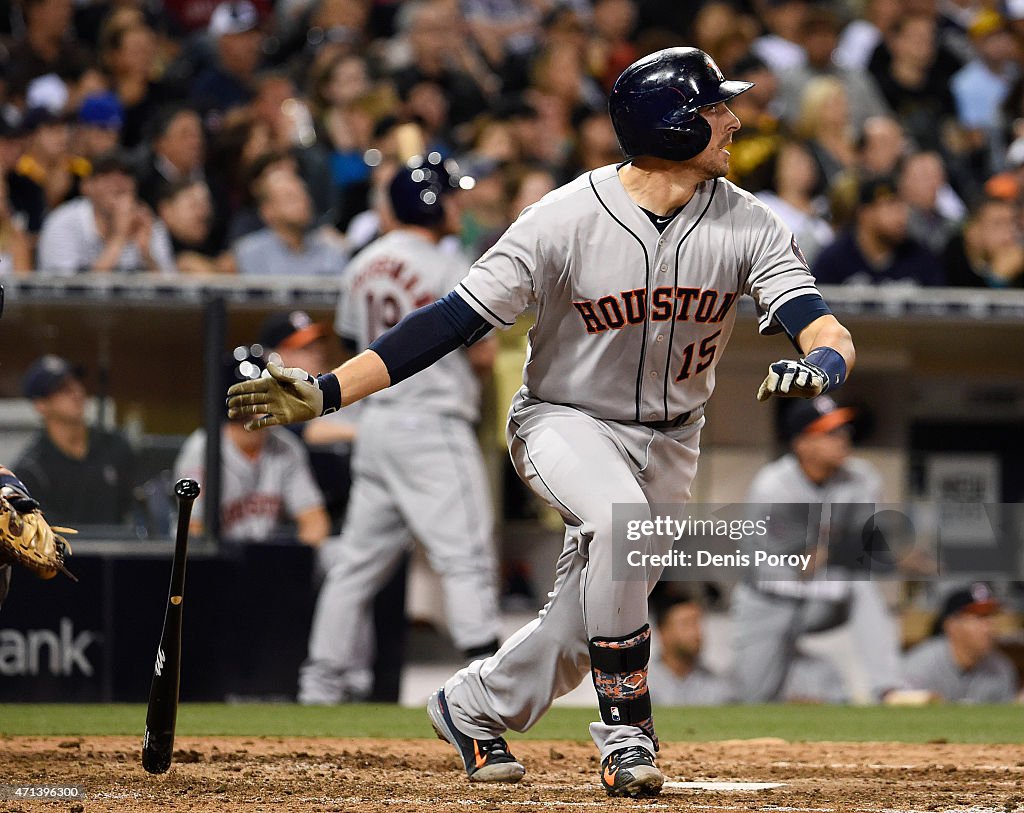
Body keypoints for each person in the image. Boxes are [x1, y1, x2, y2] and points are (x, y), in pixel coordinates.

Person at [227, 47, 856, 798]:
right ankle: (627, 732)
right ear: (675, 123)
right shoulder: (564, 217)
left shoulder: (748, 223)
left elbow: (821, 324)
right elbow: (449, 321)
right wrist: (330, 390)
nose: (734, 120)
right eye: (717, 107)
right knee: (619, 524)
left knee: (574, 630)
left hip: (673, 441)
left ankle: (469, 705)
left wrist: (822, 366)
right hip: (565, 420)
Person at [296, 154, 502, 705]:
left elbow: (348, 343)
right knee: (466, 557)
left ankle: (320, 683)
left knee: (355, 567)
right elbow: (481, 357)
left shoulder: (362, 262)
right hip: (433, 423)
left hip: (375, 423)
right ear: (432, 203)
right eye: (452, 195)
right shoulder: (447, 264)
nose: (460, 204)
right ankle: (487, 686)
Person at [731, 395, 904, 705]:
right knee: (754, 698)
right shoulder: (773, 488)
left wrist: (830, 552)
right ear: (802, 444)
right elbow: (754, 564)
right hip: (768, 601)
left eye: (842, 430)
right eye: (829, 432)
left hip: (820, 596)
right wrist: (803, 564)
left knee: (860, 586)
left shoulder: (861, 479)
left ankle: (889, 689)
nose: (842, 439)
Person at [174, 348, 329, 546]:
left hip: (267, 562)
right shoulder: (202, 450)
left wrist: (288, 565)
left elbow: (315, 524)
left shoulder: (286, 446)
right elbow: (193, 531)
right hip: (216, 564)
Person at [14, 354, 139, 529]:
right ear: (41, 404)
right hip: (67, 555)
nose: (77, 392)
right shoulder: (32, 470)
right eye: (62, 388)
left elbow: (136, 511)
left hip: (122, 552)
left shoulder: (115, 446)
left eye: (76, 383)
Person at [37, 150, 177, 275]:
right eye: (106, 175)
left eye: (125, 174)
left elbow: (172, 293)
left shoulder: (148, 223)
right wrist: (119, 238)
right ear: (86, 187)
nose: (118, 183)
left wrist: (146, 253)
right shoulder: (63, 223)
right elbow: (67, 295)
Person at [812, 175, 943, 286]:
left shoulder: (920, 259)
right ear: (865, 213)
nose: (902, 215)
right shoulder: (834, 261)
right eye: (891, 205)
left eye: (903, 206)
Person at [902, 583, 1019, 703]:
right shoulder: (920, 665)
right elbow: (898, 707)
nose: (989, 627)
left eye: (991, 616)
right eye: (980, 617)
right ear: (951, 625)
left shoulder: (1001, 668)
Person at [231, 166, 348, 276]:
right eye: (290, 197)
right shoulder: (249, 253)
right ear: (267, 211)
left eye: (303, 194)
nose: (303, 203)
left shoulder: (331, 250)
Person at [647, 588, 734, 706]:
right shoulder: (642, 685)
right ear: (662, 632)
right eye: (686, 624)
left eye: (697, 623)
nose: (696, 632)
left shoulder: (717, 685)